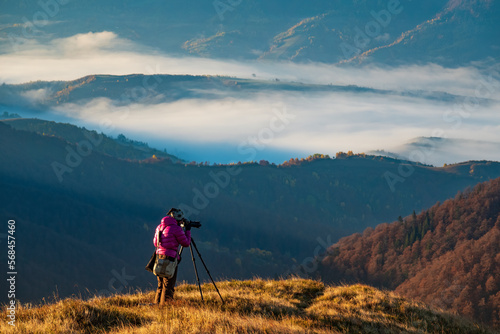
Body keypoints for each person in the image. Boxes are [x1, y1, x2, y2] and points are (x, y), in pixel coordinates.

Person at [153, 208, 191, 305]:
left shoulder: (159, 227)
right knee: (169, 285)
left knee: (160, 284)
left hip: (159, 257)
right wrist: (188, 231)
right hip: (170, 259)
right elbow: (186, 243)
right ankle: (166, 307)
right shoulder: (176, 229)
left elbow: (155, 243)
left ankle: (157, 304)